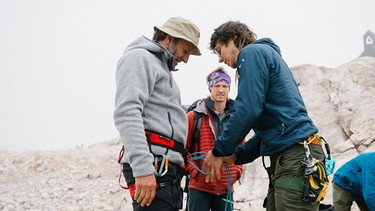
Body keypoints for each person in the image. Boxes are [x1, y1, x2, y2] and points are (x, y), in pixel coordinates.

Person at [201, 20, 329, 211]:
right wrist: (236, 155)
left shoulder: (251, 53)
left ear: (233, 38)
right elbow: (271, 130)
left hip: (295, 156)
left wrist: (218, 150)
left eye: (220, 50)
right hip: (292, 154)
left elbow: (248, 109)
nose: (220, 59)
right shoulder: (266, 56)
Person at [114, 17, 201, 211]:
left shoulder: (161, 68)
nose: (186, 60)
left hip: (165, 169)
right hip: (153, 166)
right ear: (169, 39)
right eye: (185, 50)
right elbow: (126, 112)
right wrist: (143, 169)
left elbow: (161, 113)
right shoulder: (139, 58)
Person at [185, 67, 244, 211]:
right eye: (217, 85)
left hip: (226, 189)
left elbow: (241, 150)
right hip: (199, 188)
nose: (221, 90)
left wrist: (236, 172)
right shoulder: (194, 116)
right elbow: (183, 150)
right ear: (210, 87)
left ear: (229, 88)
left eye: (225, 86)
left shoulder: (237, 119)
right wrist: (195, 172)